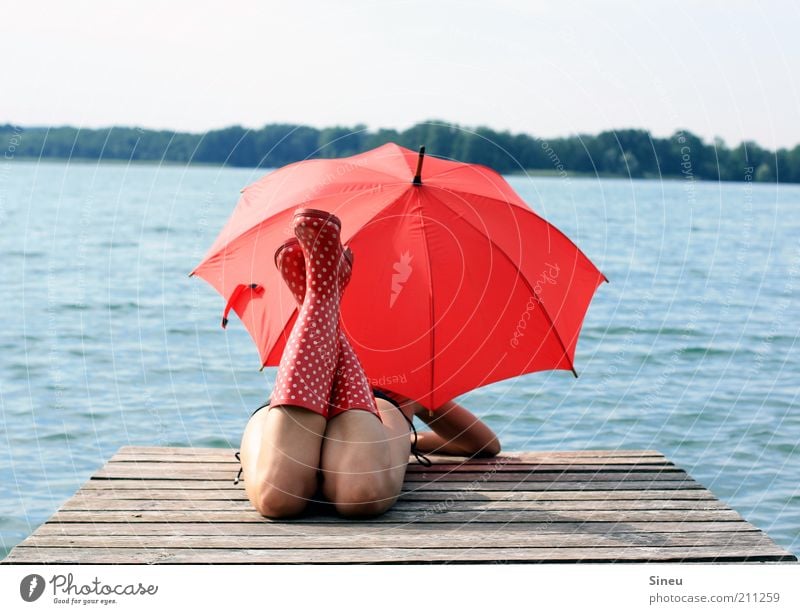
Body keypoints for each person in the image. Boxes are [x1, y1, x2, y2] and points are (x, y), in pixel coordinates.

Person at [237, 208, 500, 519]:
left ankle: (317, 299)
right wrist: (408, 439)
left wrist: (411, 438)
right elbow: (482, 444)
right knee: (303, 496)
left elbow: (485, 445)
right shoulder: (403, 380)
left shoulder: (402, 380)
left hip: (293, 406)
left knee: (285, 495)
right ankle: (322, 297)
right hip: (371, 409)